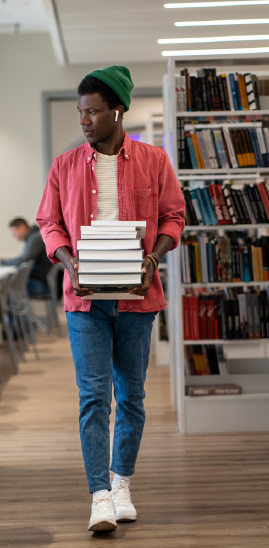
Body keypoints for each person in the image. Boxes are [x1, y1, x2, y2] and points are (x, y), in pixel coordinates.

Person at [36, 65, 185, 533]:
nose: (84, 120)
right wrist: (68, 261)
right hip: (85, 303)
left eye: (93, 112)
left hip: (138, 300)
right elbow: (49, 223)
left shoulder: (155, 161)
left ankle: (122, 483)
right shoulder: (63, 166)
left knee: (133, 398)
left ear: (117, 111)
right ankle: (99, 494)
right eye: (81, 112)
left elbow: (173, 217)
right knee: (94, 398)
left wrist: (153, 258)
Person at [1, 218, 52, 296]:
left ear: (22, 227)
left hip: (39, 283)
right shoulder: (33, 237)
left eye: (14, 231)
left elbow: (24, 259)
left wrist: (2, 262)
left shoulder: (35, 238)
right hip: (40, 280)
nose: (14, 235)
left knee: (6, 289)